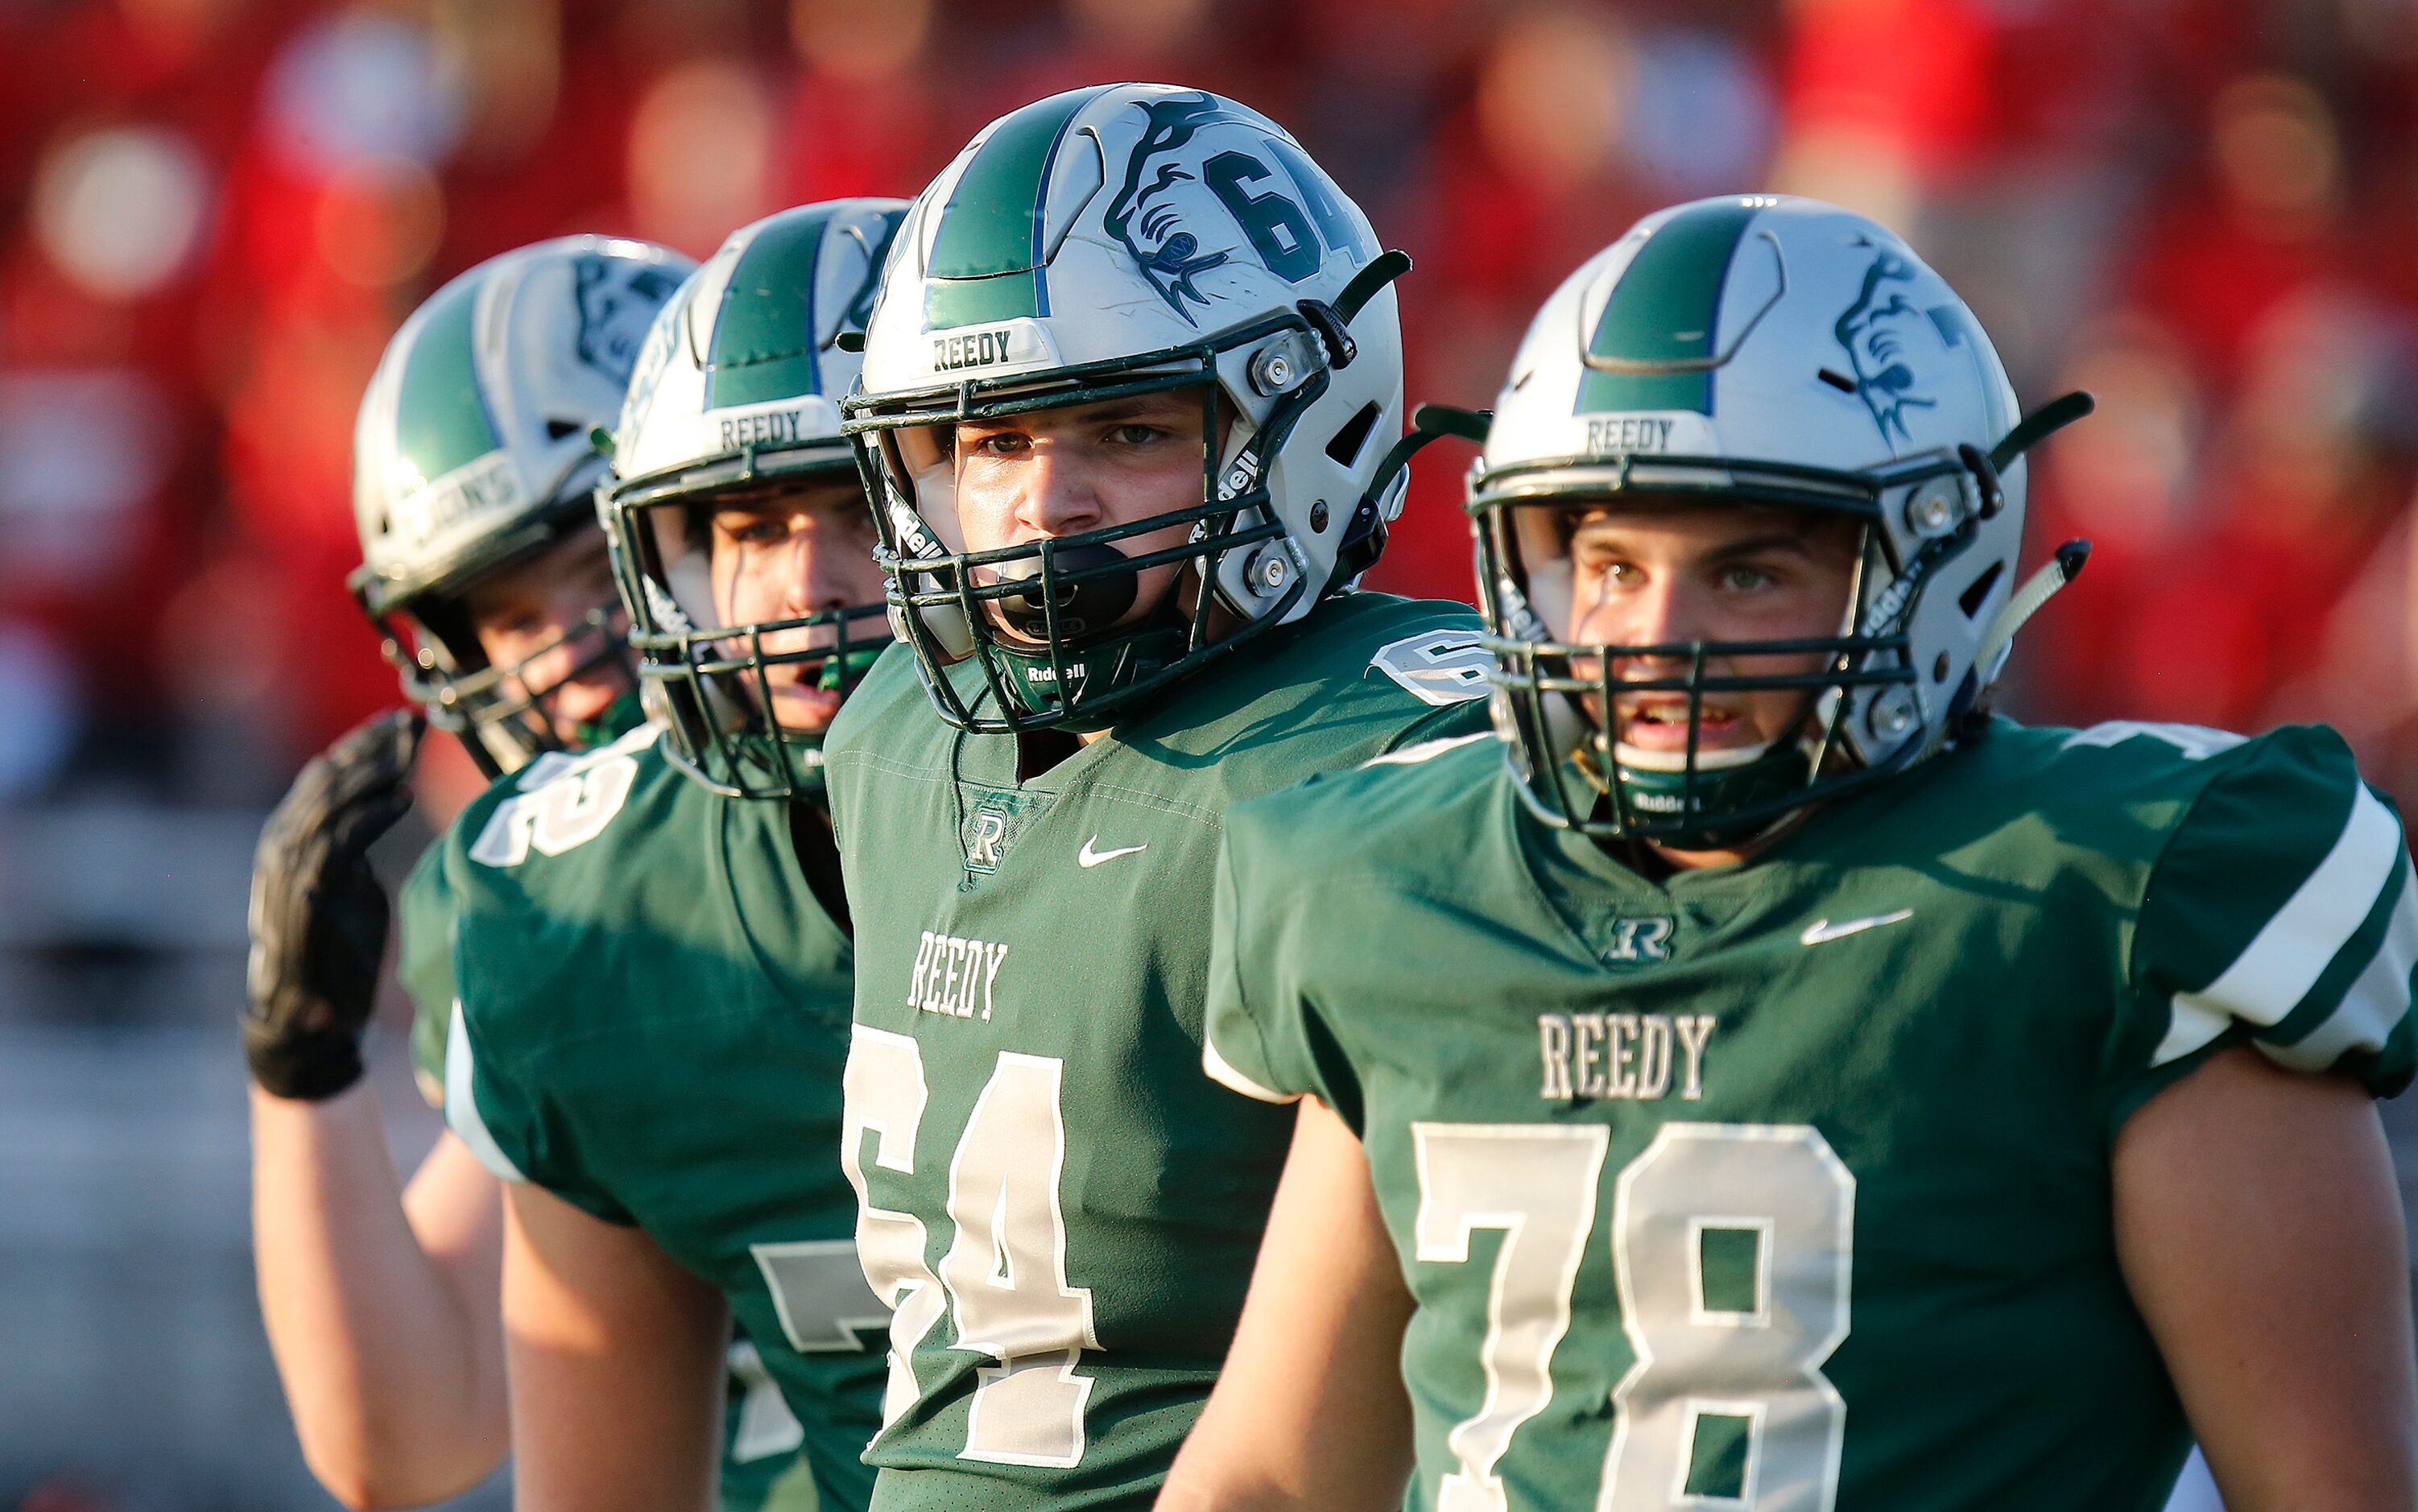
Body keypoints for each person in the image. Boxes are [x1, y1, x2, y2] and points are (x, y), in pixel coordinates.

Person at [1167, 196, 2418, 1511]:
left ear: (1929, 567)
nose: (1655, 636)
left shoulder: (2109, 891)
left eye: (1749, 574)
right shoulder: (1404, 881)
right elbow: (1275, 1475)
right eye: (1606, 564)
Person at [820, 84, 1496, 1509]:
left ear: (1303, 423)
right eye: (991, 440)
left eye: (1125, 430)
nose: (1042, 501)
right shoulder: (884, 729)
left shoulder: (1400, 756)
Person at [241, 234, 759, 1508]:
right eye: (510, 617)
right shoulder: (579, 918)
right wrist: (299, 1061)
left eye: (599, 579)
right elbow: (407, 1437)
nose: (564, 663)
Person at [441, 199, 909, 1512]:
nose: (803, 586)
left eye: (855, 509)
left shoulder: (1237, 809)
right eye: (748, 529)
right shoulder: (583, 903)